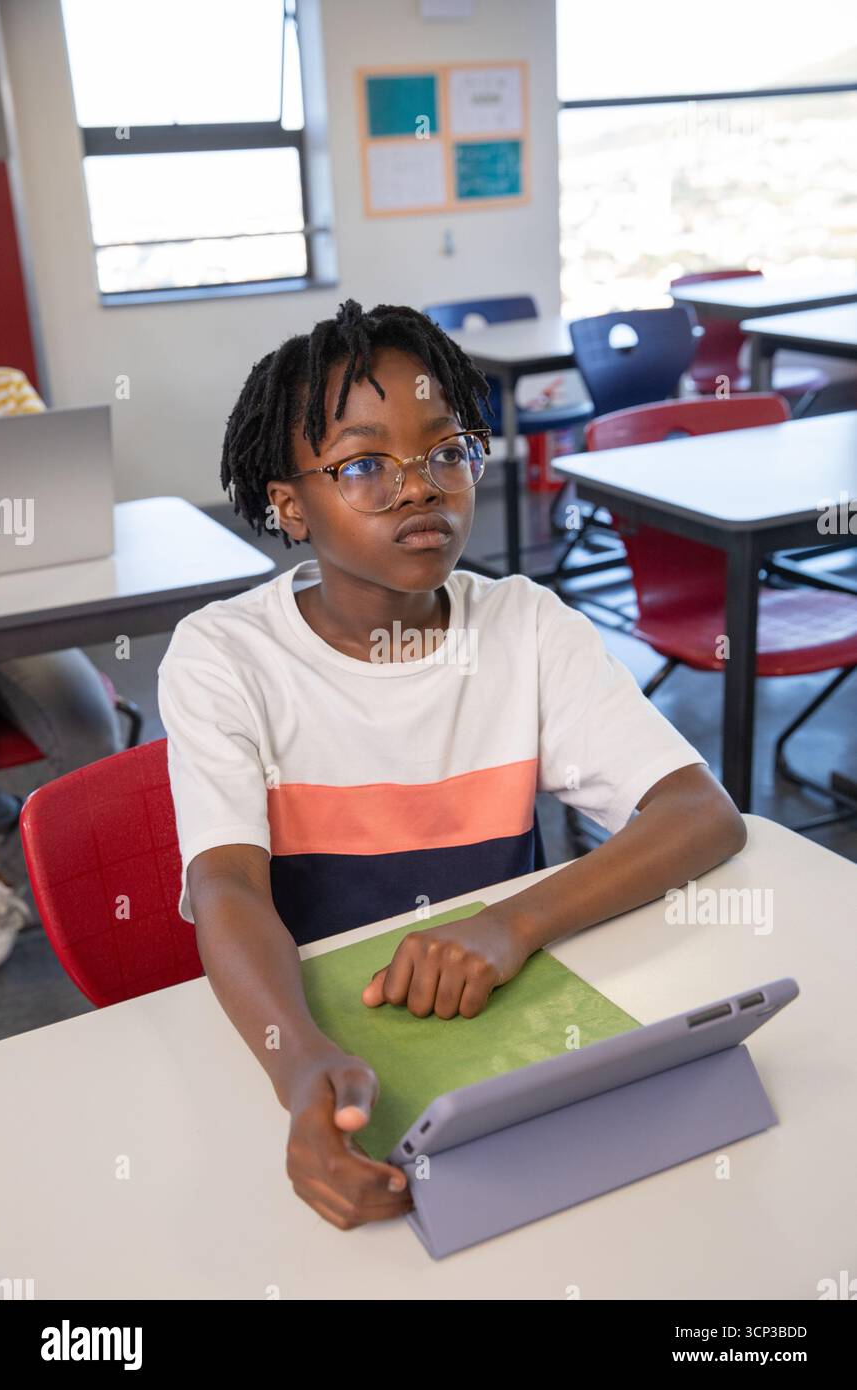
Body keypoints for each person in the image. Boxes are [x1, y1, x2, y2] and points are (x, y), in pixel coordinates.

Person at [157, 299, 746, 1233]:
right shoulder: (223, 656)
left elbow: (699, 814)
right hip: (323, 1019)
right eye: (363, 466)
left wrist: (509, 927)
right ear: (287, 504)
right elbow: (227, 887)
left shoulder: (525, 624)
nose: (422, 486)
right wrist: (298, 1059)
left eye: (446, 451)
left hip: (502, 1023)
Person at [0, 367, 124, 966]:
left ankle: (85, 893)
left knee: (88, 724)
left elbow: (65, 502)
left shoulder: (5, 388)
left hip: (16, 610)